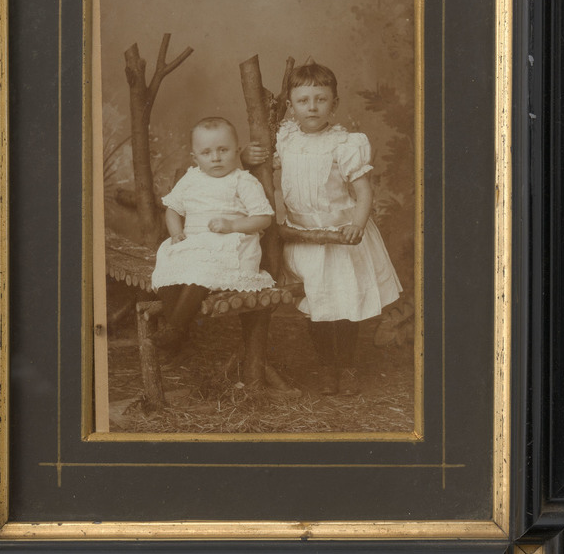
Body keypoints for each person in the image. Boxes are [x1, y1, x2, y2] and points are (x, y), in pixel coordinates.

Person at [245, 62, 402, 395]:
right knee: (318, 303)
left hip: (341, 235)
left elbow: (364, 192)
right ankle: (327, 367)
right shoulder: (285, 138)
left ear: (334, 103)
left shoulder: (345, 144)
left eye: (321, 99)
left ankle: (346, 366)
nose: (312, 107)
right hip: (302, 237)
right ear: (291, 105)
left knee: (343, 305)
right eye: (303, 100)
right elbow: (262, 168)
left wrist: (356, 225)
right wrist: (247, 156)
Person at [151, 116, 275, 353]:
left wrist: (232, 225)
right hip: (195, 245)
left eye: (223, 150)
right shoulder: (191, 179)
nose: (215, 158)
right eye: (206, 152)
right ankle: (176, 328)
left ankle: (175, 329)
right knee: (168, 265)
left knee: (201, 269)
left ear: (237, 151)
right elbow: (173, 210)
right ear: (195, 157)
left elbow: (263, 218)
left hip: (230, 245)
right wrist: (176, 234)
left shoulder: (243, 181)